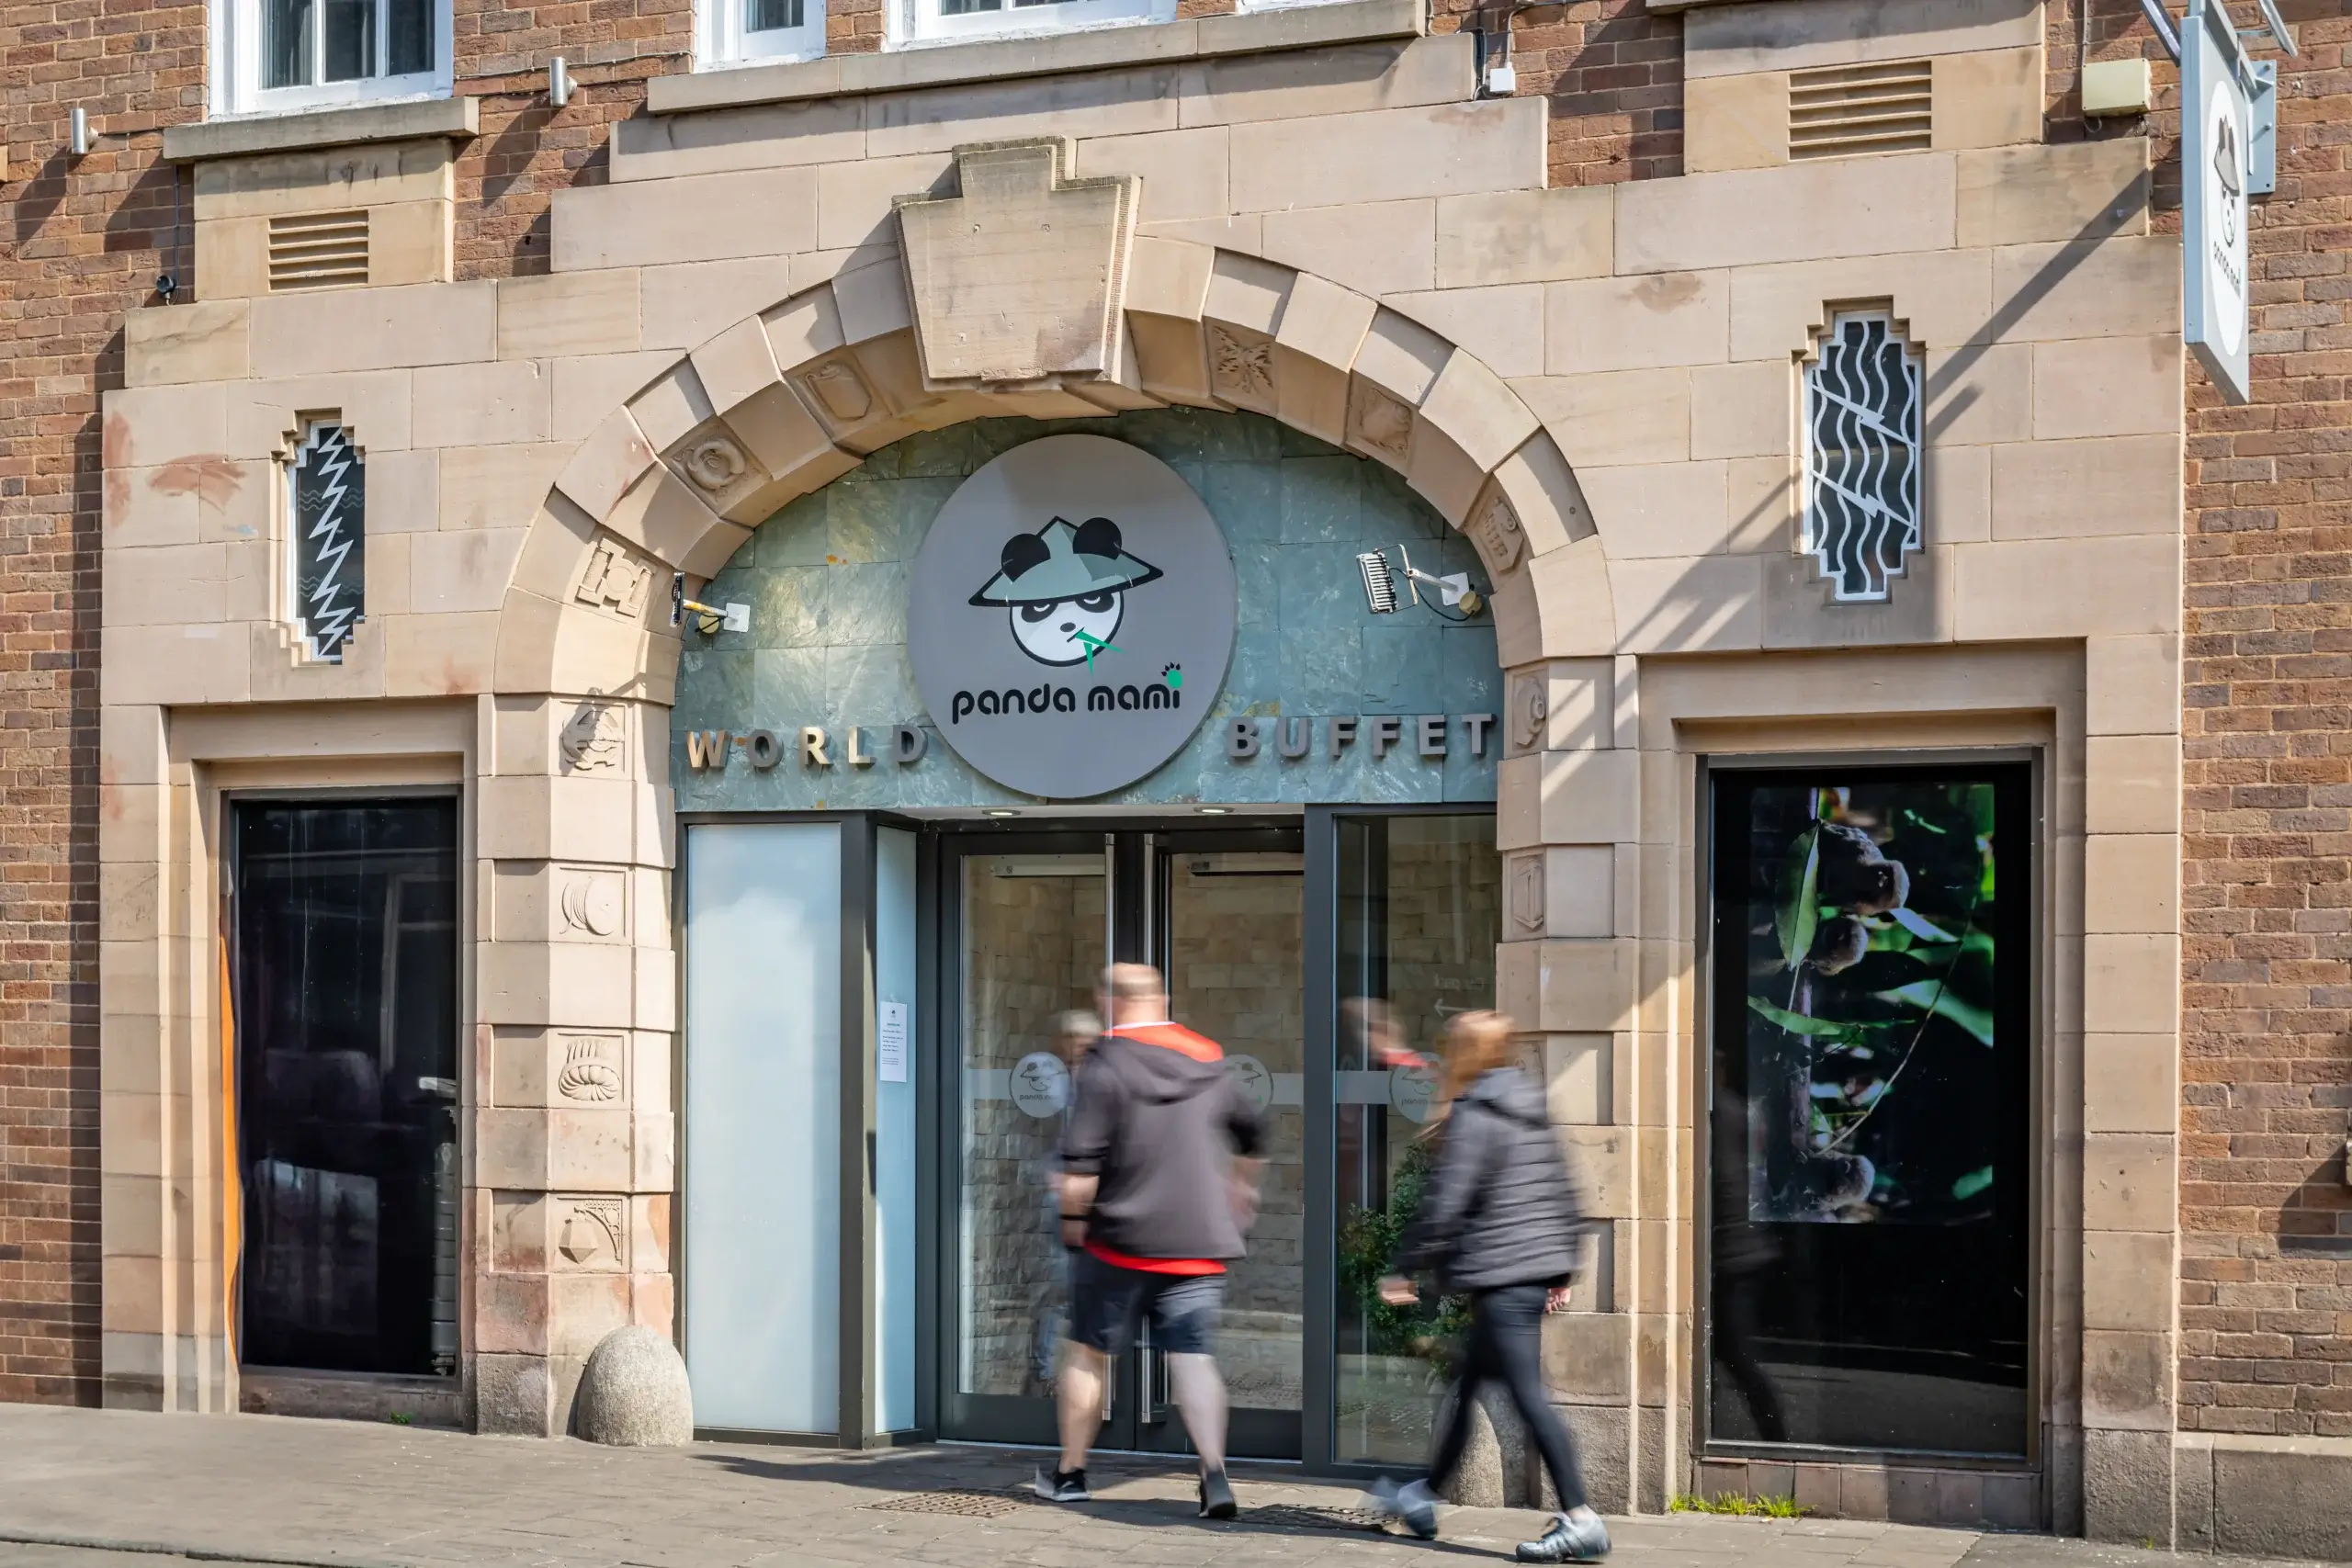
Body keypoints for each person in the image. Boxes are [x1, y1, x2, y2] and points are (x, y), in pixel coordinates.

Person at [1364, 1011, 1609, 1564]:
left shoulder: (1476, 1112)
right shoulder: (1530, 1106)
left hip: (1502, 1276)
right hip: (1523, 1273)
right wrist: (1557, 1272)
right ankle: (1422, 1496)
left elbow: (1446, 1202)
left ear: (1464, 1053)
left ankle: (1582, 1519)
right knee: (1469, 1381)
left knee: (1529, 1398)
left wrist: (1405, 1265)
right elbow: (1563, 1195)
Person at [1035, 963, 1264, 1519]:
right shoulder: (1207, 1057)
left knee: (1088, 1353)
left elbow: (1081, 1160)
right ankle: (1215, 1476)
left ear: (1110, 1001)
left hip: (1118, 1241)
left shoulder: (1106, 1062)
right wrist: (1240, 1191)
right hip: (1195, 1242)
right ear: (1160, 1000)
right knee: (1193, 1357)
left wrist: (1072, 1221)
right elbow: (1253, 1134)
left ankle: (1070, 1474)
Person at [1032, 1008, 1103, 1391]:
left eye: (1087, 1041)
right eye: (1073, 1039)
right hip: (1062, 1198)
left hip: (1097, 1197)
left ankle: (1083, 1370)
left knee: (1087, 1286)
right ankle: (1045, 1371)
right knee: (1061, 1286)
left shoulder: (1101, 1086)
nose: (1079, 1047)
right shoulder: (1048, 1084)